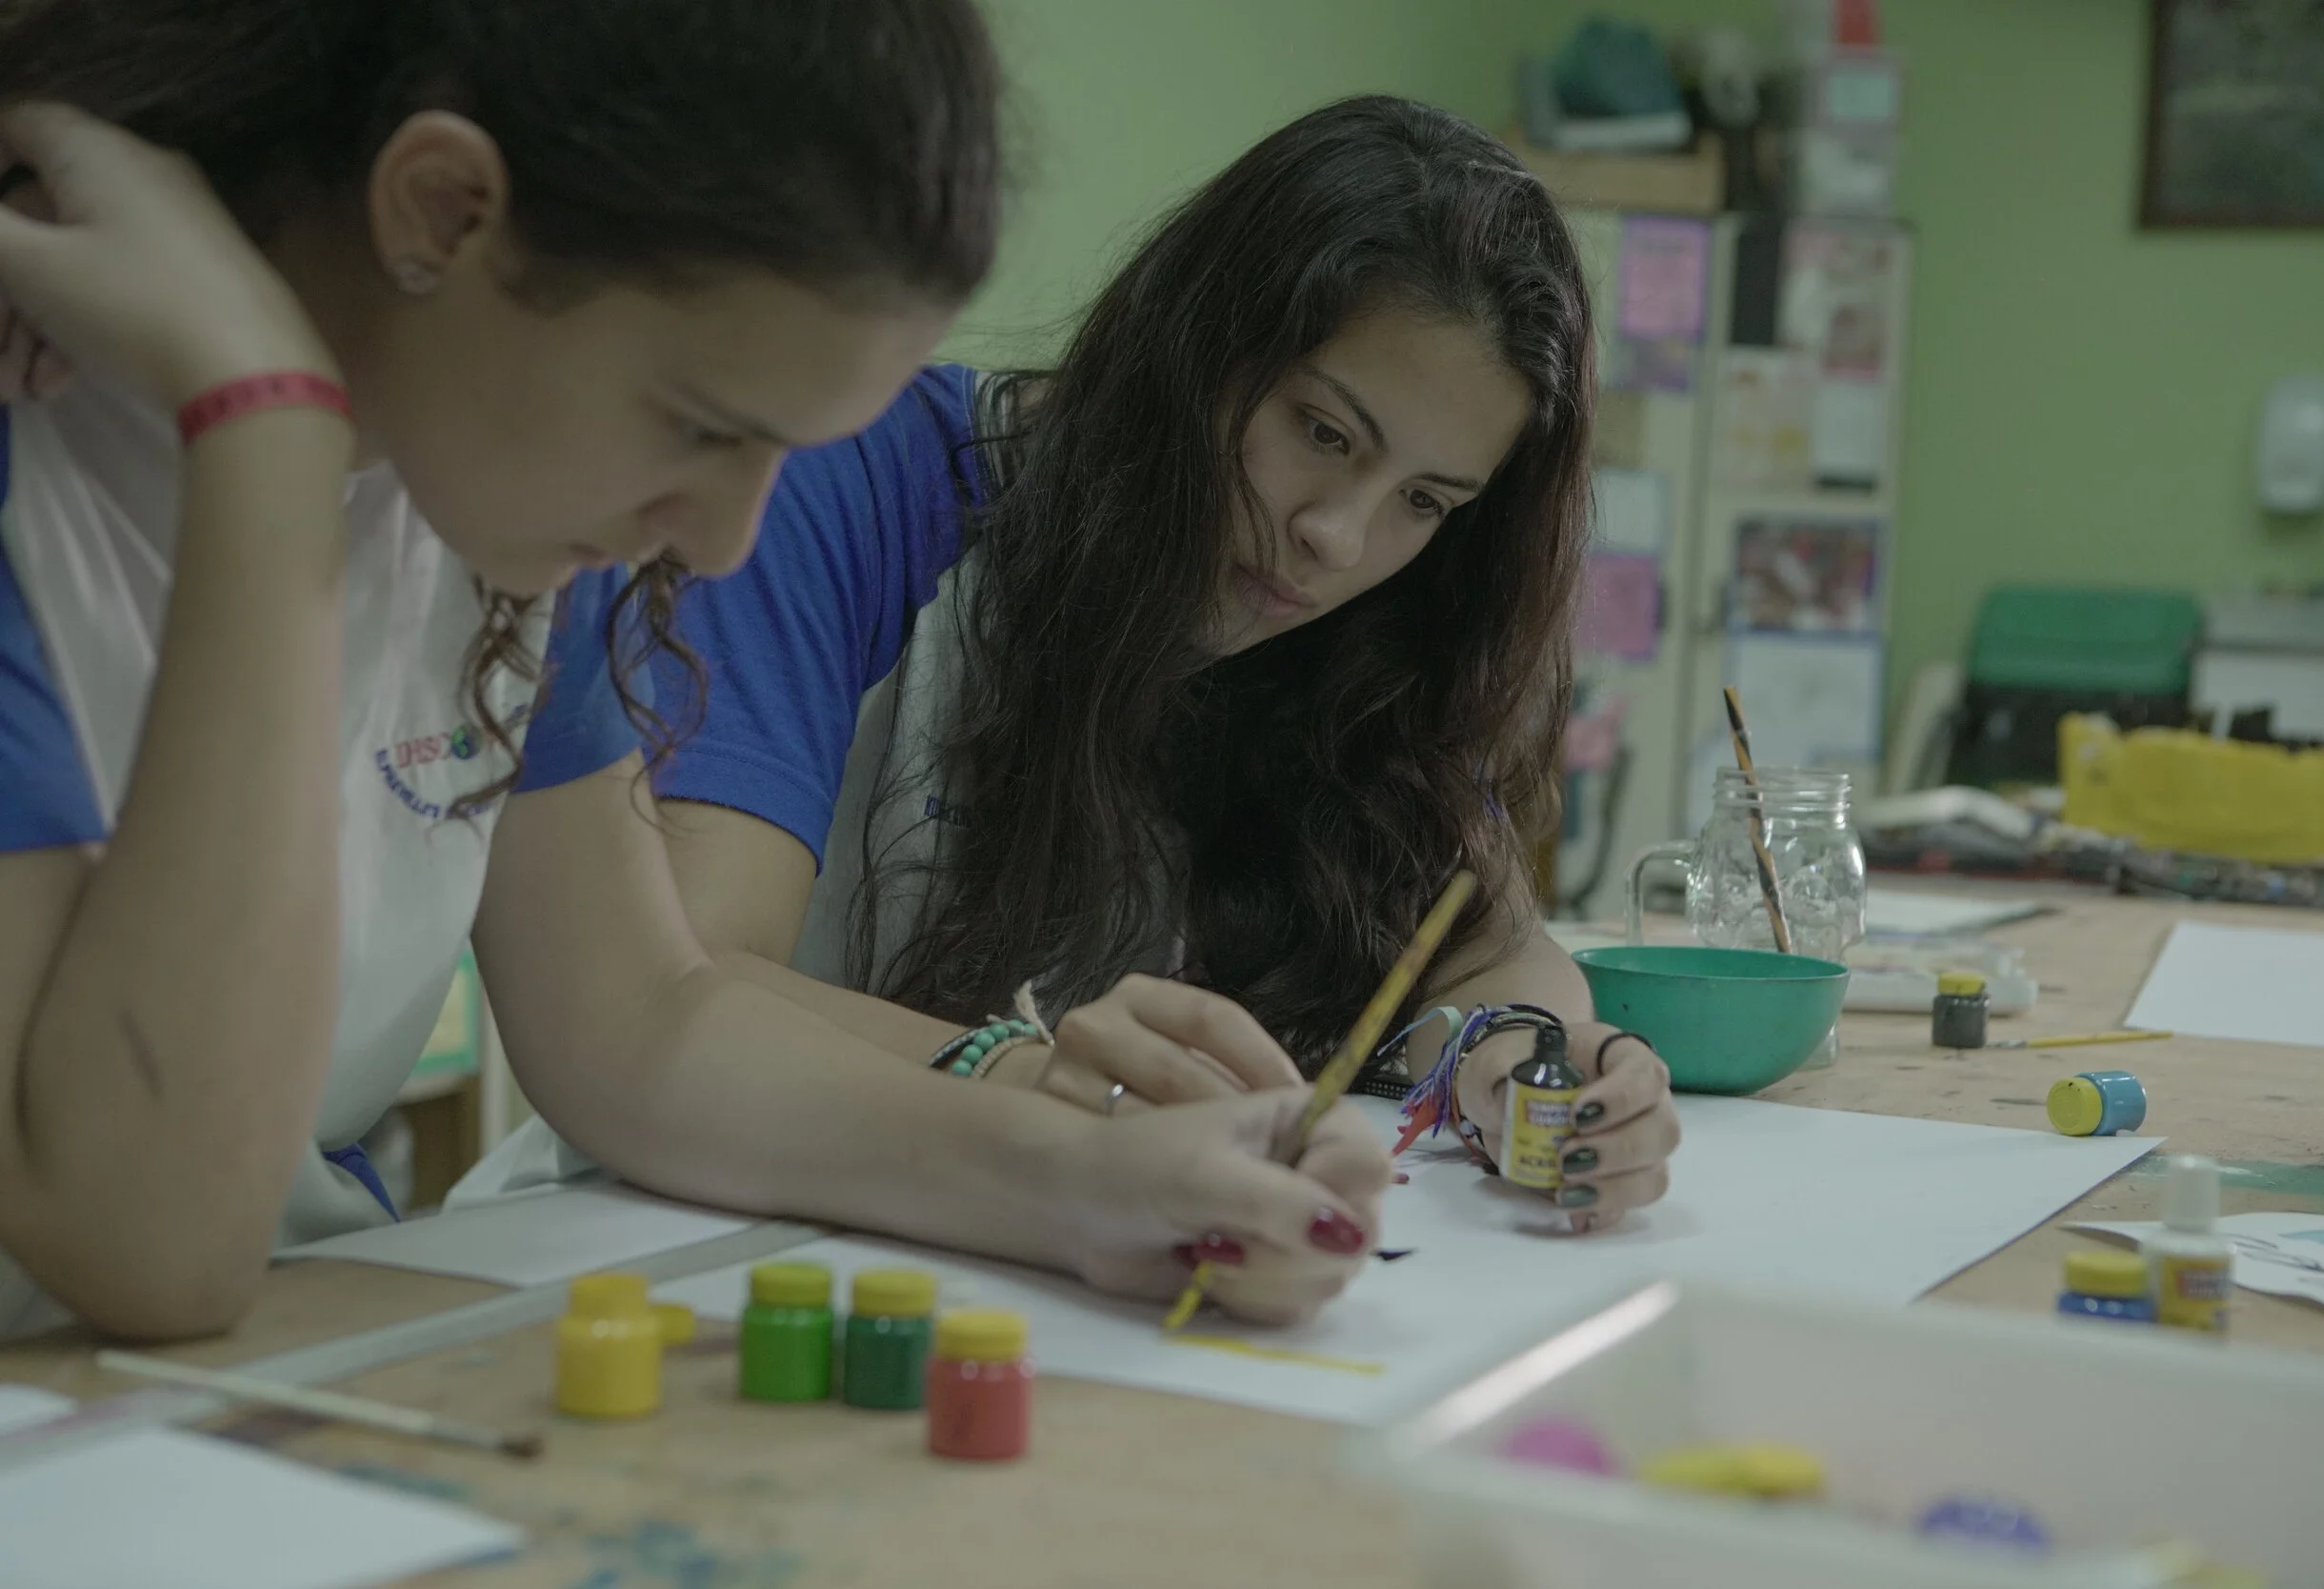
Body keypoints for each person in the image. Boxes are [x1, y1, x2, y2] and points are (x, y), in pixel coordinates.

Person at [0, 0, 1386, 1342]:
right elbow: (156, 1247)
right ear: (441, 212)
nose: (723, 546)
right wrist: (268, 442)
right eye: (701, 425)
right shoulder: (192, 463)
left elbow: (640, 1021)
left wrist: (1079, 1181)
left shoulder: (496, 487)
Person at [647, 96, 1682, 1237]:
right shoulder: (852, 491)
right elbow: (685, 974)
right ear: (1195, 341)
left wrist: (1516, 1053)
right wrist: (1030, 1085)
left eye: (1425, 502)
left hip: (1056, 1274)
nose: (1339, 540)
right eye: (1324, 433)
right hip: (706, 1235)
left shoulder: (1357, 640)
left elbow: (1488, 954)